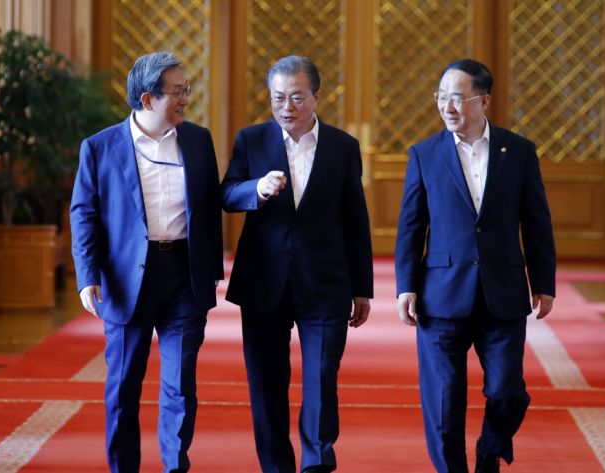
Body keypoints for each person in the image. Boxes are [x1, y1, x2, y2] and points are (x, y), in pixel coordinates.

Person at [394, 59, 556, 473]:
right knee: (444, 405)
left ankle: (489, 450)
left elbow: (536, 220)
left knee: (507, 391)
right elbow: (411, 226)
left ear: (484, 101)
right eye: (441, 98)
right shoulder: (424, 154)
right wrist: (405, 286)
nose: (447, 107)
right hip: (441, 296)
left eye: (458, 99)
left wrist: (543, 281)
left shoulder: (518, 151)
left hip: (502, 293)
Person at [70, 51, 223, 473]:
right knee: (123, 386)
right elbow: (83, 214)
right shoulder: (99, 147)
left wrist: (211, 271)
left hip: (184, 277)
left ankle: (175, 466)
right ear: (147, 99)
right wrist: (87, 276)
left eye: (186, 90)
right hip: (126, 281)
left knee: (180, 385)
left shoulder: (198, 141)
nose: (186, 99)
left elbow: (210, 206)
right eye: (177, 92)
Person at [221, 55, 373, 473]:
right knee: (267, 385)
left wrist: (362, 288)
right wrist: (257, 189)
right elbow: (227, 194)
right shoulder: (251, 140)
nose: (286, 107)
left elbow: (355, 219)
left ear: (316, 96)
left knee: (321, 378)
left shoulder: (343, 146)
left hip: (325, 283)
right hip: (263, 281)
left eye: (296, 97)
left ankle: (317, 463)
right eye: (278, 98)